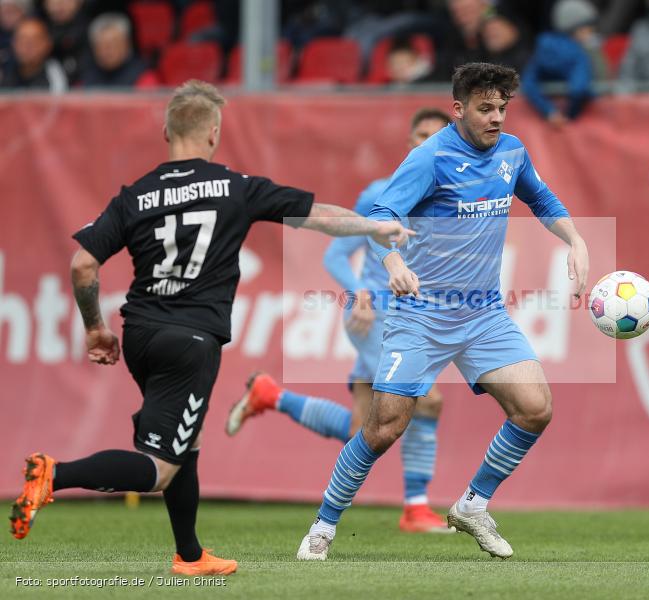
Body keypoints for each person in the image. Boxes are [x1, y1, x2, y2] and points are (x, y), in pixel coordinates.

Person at [8, 80, 411, 575]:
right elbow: (319, 217)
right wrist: (373, 226)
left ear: (166, 132)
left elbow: (82, 266)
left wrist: (94, 328)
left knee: (187, 439)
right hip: (192, 341)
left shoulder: (135, 196)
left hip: (140, 334)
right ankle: (54, 474)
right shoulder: (237, 188)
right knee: (158, 469)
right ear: (214, 133)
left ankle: (191, 555)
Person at [296, 62, 590, 561]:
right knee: (384, 426)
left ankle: (473, 504)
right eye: (485, 108)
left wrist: (576, 240)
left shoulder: (512, 153)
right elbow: (383, 215)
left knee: (535, 408)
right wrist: (392, 262)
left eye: (502, 108)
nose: (497, 118)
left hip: (483, 314)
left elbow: (541, 199)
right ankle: (323, 527)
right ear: (458, 109)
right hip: (421, 313)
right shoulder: (429, 158)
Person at [226, 108, 453, 534]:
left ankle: (270, 395)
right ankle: (416, 507)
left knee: (359, 428)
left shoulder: (449, 200)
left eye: (435, 136)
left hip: (415, 315)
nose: (425, 142)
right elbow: (334, 254)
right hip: (376, 313)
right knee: (430, 399)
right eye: (419, 134)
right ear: (408, 142)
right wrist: (359, 292)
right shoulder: (381, 193)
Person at [522, 0, 605, 126]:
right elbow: (579, 89)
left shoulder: (541, 49)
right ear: (579, 29)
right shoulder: (579, 54)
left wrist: (550, 111)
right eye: (589, 28)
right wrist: (570, 115)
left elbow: (528, 83)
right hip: (576, 123)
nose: (592, 33)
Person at [81, 13, 149, 88]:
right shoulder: (86, 76)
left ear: (126, 44)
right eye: (101, 46)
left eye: (112, 44)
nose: (106, 51)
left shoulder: (144, 76)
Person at [0, 17, 66, 91]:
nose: (27, 46)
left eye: (35, 40)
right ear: (13, 43)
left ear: (48, 44)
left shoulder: (57, 75)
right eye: (22, 39)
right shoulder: (4, 70)